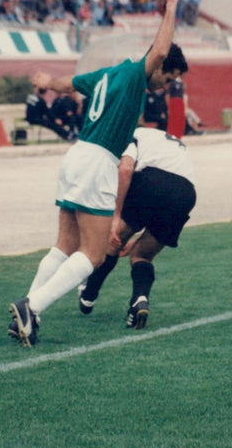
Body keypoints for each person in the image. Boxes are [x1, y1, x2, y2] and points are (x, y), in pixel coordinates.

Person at [7, 0, 187, 347]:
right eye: (167, 78)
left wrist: (45, 81)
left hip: (75, 156)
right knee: (91, 255)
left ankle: (24, 317)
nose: (164, 85)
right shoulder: (137, 75)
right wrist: (170, 6)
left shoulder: (107, 74)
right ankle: (32, 306)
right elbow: (158, 51)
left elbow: (68, 83)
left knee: (64, 246)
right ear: (158, 67)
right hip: (98, 161)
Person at [76, 127, 197, 329]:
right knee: (141, 255)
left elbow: (125, 169)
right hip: (186, 193)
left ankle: (89, 295)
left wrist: (116, 216)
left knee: (113, 240)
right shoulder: (158, 137)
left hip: (153, 180)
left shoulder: (130, 132)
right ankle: (139, 299)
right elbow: (168, 190)